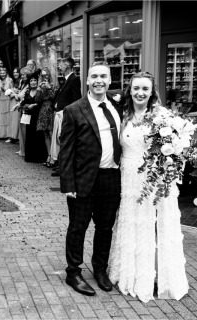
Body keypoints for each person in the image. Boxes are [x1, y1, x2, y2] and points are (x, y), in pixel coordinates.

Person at [108, 72, 189, 303]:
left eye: (145, 89)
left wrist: (171, 156)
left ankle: (159, 276)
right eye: (136, 89)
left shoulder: (162, 116)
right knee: (131, 221)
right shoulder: (123, 115)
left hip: (153, 178)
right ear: (129, 90)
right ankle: (131, 274)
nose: (140, 93)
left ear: (152, 92)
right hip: (128, 177)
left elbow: (178, 144)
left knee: (154, 224)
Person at [59, 61, 122, 296]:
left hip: (111, 177)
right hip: (84, 180)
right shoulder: (74, 109)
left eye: (103, 76)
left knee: (105, 227)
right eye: (94, 76)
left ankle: (100, 270)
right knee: (78, 227)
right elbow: (66, 150)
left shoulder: (117, 105)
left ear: (110, 80)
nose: (99, 80)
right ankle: (73, 272)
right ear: (86, 80)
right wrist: (67, 184)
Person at [51, 56, 82, 176]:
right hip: (60, 114)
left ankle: (63, 167)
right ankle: (60, 164)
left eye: (61, 65)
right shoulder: (66, 79)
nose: (59, 67)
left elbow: (76, 98)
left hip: (65, 115)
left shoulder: (74, 79)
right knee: (60, 140)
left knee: (64, 141)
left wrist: (69, 114)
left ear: (68, 66)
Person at [12, 71, 46, 163]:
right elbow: (23, 102)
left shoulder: (40, 91)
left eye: (35, 80)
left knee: (38, 135)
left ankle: (39, 157)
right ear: (29, 82)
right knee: (30, 135)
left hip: (38, 116)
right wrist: (17, 106)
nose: (33, 82)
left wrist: (34, 105)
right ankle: (30, 156)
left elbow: (42, 103)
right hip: (29, 116)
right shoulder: (28, 92)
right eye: (31, 81)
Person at [37, 68, 59, 168]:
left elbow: (55, 97)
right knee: (45, 134)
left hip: (51, 110)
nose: (44, 77)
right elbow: (37, 100)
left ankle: (54, 158)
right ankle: (49, 156)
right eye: (42, 75)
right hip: (43, 110)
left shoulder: (54, 85)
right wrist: (40, 90)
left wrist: (49, 87)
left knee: (51, 134)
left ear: (49, 75)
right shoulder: (40, 86)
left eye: (45, 75)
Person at [0, 67, 14, 140]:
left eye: (4, 73)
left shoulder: (10, 80)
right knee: (1, 115)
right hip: (1, 99)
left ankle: (8, 134)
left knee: (7, 115)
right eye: (1, 73)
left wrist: (5, 89)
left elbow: (12, 90)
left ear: (6, 73)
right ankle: (1, 134)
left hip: (7, 99)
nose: (2, 74)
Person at [8, 67, 21, 142]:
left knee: (16, 119)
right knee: (13, 119)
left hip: (17, 101)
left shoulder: (20, 81)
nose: (15, 73)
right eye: (14, 72)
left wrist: (14, 93)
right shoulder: (14, 81)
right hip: (13, 100)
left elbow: (20, 92)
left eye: (16, 72)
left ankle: (16, 137)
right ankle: (13, 136)